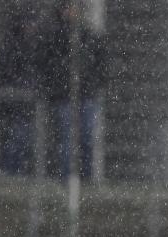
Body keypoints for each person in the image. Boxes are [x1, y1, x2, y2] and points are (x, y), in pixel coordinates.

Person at [36, 1, 107, 180]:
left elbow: (101, 63)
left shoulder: (89, 35)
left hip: (86, 94)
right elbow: (47, 66)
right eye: (67, 8)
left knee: (87, 139)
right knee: (68, 141)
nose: (71, 12)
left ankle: (87, 179)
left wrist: (94, 83)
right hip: (65, 96)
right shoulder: (55, 37)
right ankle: (69, 179)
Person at [0, 12, 41, 175]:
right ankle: (10, 172)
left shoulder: (33, 46)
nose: (31, 27)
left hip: (26, 102)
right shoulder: (15, 47)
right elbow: (6, 72)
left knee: (21, 139)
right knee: (17, 139)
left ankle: (14, 172)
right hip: (17, 102)